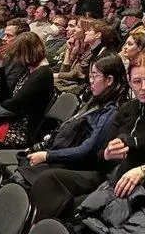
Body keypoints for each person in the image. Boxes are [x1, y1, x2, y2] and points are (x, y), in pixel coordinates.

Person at [30, 52, 145, 221]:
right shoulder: (127, 109)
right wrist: (107, 154)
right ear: (129, 81)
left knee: (77, 207)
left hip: (133, 184)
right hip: (107, 175)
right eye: (137, 82)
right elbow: (99, 156)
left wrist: (144, 171)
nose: (144, 87)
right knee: (47, 179)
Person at [19, 55, 127, 190]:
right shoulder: (97, 101)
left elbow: (87, 150)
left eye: (95, 76)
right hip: (67, 155)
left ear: (109, 80)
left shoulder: (111, 112)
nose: (91, 81)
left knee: (24, 180)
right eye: (90, 76)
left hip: (80, 166)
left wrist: (48, 156)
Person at [0, 31, 55, 147]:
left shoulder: (42, 74)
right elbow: (5, 95)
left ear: (28, 52)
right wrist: (1, 66)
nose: (17, 59)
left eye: (18, 54)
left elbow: (12, 105)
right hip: (12, 119)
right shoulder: (30, 67)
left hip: (22, 130)